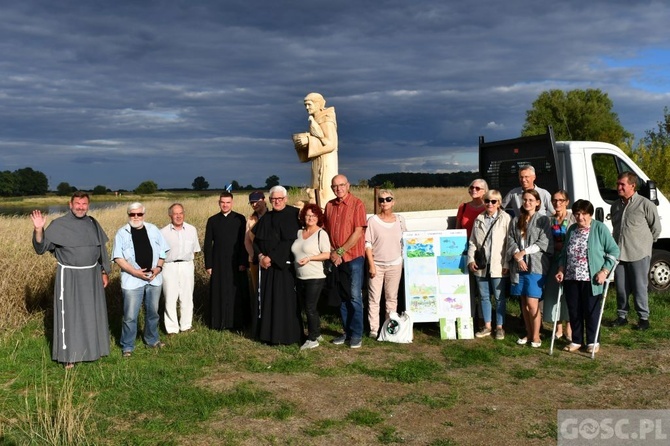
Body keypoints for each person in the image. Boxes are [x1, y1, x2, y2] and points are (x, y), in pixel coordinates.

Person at [31, 191, 111, 369]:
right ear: (70, 204)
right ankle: (70, 356)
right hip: (70, 277)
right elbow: (41, 247)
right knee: (71, 315)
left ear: (88, 205)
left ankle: (93, 350)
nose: (81, 207)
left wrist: (104, 271)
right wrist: (38, 229)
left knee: (92, 314)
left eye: (84, 204)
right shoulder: (59, 225)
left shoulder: (93, 224)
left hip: (92, 275)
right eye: (77, 204)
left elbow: (101, 251)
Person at [555, 200, 619, 353]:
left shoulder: (599, 228)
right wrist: (561, 269)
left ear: (590, 214)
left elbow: (614, 251)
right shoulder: (571, 229)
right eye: (577, 214)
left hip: (592, 279)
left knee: (591, 310)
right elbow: (564, 253)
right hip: (571, 277)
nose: (580, 217)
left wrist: (604, 271)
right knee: (574, 310)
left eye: (584, 214)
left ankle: (593, 341)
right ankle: (576, 340)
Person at [112, 202, 170, 357]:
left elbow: (163, 251)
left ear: (144, 214)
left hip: (154, 279)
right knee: (130, 315)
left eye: (139, 214)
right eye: (132, 214)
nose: (136, 217)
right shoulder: (122, 233)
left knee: (153, 312)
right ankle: (128, 346)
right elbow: (118, 257)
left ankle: (152, 339)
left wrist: (158, 268)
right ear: (128, 215)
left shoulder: (153, 229)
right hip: (132, 280)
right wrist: (135, 273)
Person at [611, 171, 661, 331]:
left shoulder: (645, 204)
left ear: (632, 186)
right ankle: (622, 316)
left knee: (640, 287)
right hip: (620, 254)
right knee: (621, 287)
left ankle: (643, 318)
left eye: (622, 184)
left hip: (639, 254)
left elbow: (656, 228)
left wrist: (644, 245)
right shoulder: (616, 205)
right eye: (618, 184)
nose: (618, 187)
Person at [253, 185, 302, 345]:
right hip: (267, 268)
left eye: (279, 199)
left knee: (285, 302)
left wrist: (271, 257)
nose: (276, 202)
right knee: (268, 302)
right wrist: (260, 256)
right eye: (273, 199)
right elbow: (256, 241)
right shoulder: (266, 217)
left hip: (284, 267)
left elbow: (289, 241)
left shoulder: (294, 215)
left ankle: (287, 336)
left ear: (286, 199)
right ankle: (268, 335)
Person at [324, 174, 367, 349]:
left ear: (348, 185)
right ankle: (346, 332)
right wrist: (333, 253)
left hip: (353, 257)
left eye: (341, 185)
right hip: (336, 259)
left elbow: (358, 232)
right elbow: (326, 230)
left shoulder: (357, 204)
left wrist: (341, 251)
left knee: (355, 296)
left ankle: (357, 334)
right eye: (335, 186)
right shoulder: (329, 206)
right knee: (341, 296)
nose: (338, 188)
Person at [507, 189, 553, 348]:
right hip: (519, 266)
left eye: (531, 200)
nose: (527, 203)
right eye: (525, 200)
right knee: (524, 303)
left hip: (536, 265)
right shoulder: (516, 220)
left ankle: (536, 336)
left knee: (533, 303)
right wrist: (517, 256)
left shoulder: (543, 220)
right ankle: (528, 332)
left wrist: (524, 252)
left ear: (538, 202)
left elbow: (543, 243)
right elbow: (511, 240)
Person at [467, 190, 511, 340]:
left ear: (499, 203)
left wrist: (506, 263)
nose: (490, 204)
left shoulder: (505, 218)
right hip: (481, 264)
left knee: (499, 297)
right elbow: (473, 241)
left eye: (493, 201)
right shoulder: (479, 218)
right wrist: (471, 260)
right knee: (484, 297)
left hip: (498, 264)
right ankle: (487, 326)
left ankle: (500, 327)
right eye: (487, 201)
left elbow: (509, 244)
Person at [365, 189, 407, 339]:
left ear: (393, 202)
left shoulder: (400, 220)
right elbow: (367, 244)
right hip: (376, 264)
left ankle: (389, 326)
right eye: (381, 200)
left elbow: (406, 242)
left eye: (388, 199)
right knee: (374, 298)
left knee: (391, 298)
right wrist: (371, 265)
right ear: (378, 203)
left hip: (395, 264)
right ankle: (374, 329)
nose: (385, 202)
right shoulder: (372, 221)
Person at [204, 192, 249, 331]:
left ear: (232, 203)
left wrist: (243, 261)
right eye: (222, 202)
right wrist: (209, 264)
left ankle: (237, 323)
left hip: (236, 263)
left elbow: (244, 242)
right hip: (218, 263)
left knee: (236, 292)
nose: (225, 205)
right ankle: (218, 322)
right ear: (219, 203)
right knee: (220, 291)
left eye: (228, 202)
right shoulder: (212, 220)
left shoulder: (240, 219)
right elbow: (207, 244)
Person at [291, 203, 331, 350]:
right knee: (308, 307)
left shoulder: (321, 233)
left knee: (310, 307)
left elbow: (327, 254)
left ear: (318, 217)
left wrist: (309, 258)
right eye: (308, 215)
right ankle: (317, 332)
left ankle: (312, 338)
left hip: (315, 276)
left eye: (313, 216)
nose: (310, 218)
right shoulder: (299, 233)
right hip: (300, 276)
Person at [160, 203, 201, 335]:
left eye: (181, 213)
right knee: (170, 298)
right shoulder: (163, 232)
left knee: (187, 297)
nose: (178, 216)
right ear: (170, 215)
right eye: (175, 213)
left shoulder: (191, 230)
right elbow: (159, 253)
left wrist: (187, 261)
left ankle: (186, 326)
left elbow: (195, 250)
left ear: (184, 213)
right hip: (169, 266)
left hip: (187, 265)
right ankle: (172, 329)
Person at [292, 92, 338, 206]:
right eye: (305, 105)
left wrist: (309, 141)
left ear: (318, 104)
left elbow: (331, 143)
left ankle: (323, 207)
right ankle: (315, 205)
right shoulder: (316, 119)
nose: (307, 108)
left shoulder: (326, 119)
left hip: (326, 163)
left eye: (309, 104)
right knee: (316, 188)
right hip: (318, 161)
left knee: (325, 191)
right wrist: (303, 144)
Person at [542, 190, 575, 341]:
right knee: (554, 293)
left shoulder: (573, 218)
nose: (557, 203)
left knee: (568, 294)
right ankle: (558, 328)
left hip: (569, 261)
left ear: (567, 202)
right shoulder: (548, 220)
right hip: (553, 261)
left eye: (561, 200)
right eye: (554, 200)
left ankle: (569, 328)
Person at [244, 191, 268, 311]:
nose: (254, 205)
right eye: (252, 203)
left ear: (264, 200)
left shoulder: (273, 216)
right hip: (254, 260)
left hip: (270, 259)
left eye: (257, 201)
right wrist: (254, 256)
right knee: (256, 288)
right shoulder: (250, 220)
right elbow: (247, 241)